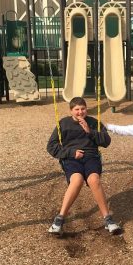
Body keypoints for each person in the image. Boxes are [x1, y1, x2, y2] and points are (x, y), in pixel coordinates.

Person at [47, 97, 121, 235]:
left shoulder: (94, 122)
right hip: (71, 159)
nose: (80, 112)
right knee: (77, 180)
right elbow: (51, 146)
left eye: (83, 109)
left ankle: (108, 219)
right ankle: (59, 219)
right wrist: (70, 152)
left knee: (94, 180)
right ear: (71, 111)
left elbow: (106, 141)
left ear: (86, 109)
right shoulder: (63, 123)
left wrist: (90, 131)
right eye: (77, 109)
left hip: (91, 157)